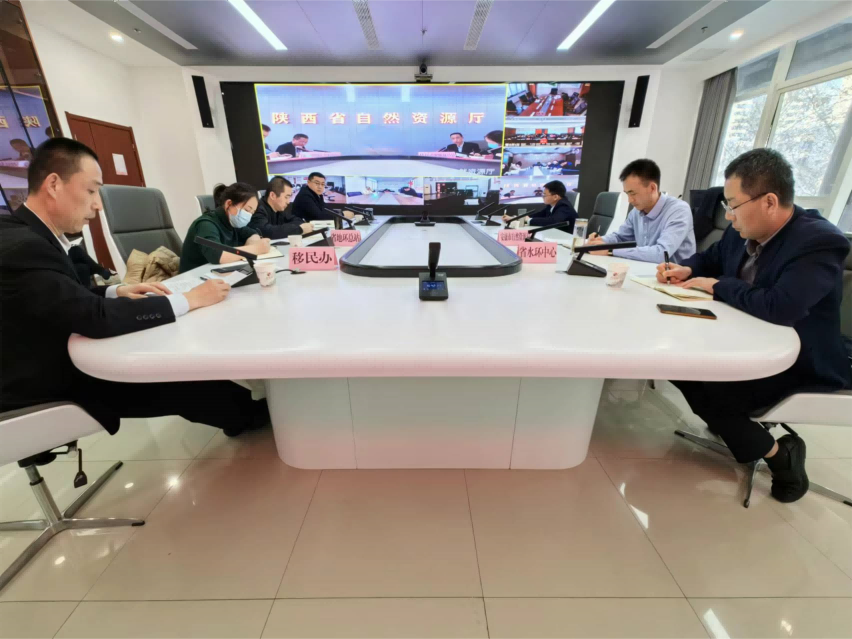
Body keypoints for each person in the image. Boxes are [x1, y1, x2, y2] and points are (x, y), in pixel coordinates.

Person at [0, 138, 267, 438]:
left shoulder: (25, 234)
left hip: (44, 356)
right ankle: (256, 416)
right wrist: (190, 299)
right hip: (42, 381)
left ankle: (245, 410)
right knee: (176, 374)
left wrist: (115, 291)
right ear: (53, 184)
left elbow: (60, 295)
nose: (98, 204)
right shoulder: (26, 247)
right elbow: (95, 317)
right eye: (91, 190)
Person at [658, 149, 851, 503]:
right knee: (675, 363)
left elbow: (781, 306)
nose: (728, 215)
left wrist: (717, 285)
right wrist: (688, 268)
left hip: (799, 359)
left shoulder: (819, 242)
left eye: (733, 205)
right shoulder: (742, 229)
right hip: (745, 341)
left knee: (712, 386)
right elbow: (711, 258)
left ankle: (780, 456)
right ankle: (734, 425)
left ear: (769, 201)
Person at [586, 159, 695, 263]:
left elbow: (661, 253)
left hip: (672, 274)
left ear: (652, 188)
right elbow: (620, 237)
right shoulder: (636, 211)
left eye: (633, 193)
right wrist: (600, 241)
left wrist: (610, 250)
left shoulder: (679, 210)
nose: (630, 200)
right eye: (627, 194)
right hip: (644, 269)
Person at [179, 182, 270, 272]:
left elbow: (252, 233)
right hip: (193, 277)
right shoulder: (205, 224)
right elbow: (217, 254)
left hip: (217, 274)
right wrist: (255, 249)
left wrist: (252, 244)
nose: (249, 216)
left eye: (252, 212)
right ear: (229, 204)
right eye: (247, 210)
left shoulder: (233, 222)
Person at [249, 175, 314, 239]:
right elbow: (267, 231)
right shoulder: (257, 208)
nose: (288, 202)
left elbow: (297, 220)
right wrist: (298, 229)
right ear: (272, 195)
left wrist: (285, 229)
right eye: (286, 197)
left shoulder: (279, 209)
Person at [504, 180, 577, 231]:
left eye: (545, 194)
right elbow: (537, 215)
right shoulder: (551, 205)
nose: (542, 197)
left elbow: (553, 221)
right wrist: (515, 218)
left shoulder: (564, 206)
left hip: (566, 240)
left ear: (555, 197)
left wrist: (528, 220)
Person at [291, 172, 355, 222]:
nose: (320, 187)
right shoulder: (305, 195)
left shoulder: (316, 193)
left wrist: (340, 213)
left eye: (322, 184)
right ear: (308, 182)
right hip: (300, 228)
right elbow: (318, 217)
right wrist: (342, 215)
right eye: (317, 183)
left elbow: (325, 208)